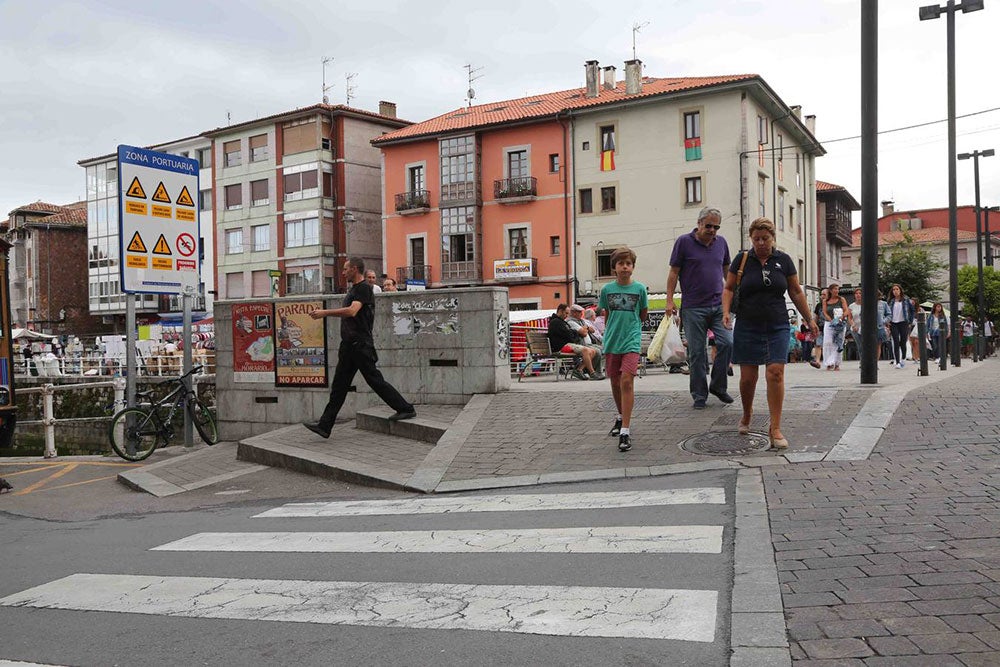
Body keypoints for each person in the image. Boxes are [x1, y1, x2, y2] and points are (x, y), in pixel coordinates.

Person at [722, 217, 817, 450]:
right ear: (751, 238)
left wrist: (809, 319)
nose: (761, 243)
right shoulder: (742, 259)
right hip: (747, 323)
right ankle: (747, 413)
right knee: (747, 378)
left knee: (775, 373)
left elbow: (795, 291)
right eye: (756, 239)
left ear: (773, 238)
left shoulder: (783, 260)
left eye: (765, 238)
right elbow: (729, 288)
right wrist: (726, 312)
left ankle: (775, 427)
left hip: (777, 323)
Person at [303, 257, 415, 439]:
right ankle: (325, 425)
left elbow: (352, 311)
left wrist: (324, 313)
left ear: (355, 269)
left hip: (360, 346)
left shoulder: (363, 288)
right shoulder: (355, 289)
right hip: (349, 346)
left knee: (375, 380)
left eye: (346, 269)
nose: (343, 272)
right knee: (339, 386)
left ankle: (406, 408)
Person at [665, 205, 734, 409]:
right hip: (693, 307)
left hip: (718, 305)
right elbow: (673, 273)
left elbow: (726, 271)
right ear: (699, 223)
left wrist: (733, 297)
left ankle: (718, 387)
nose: (712, 230)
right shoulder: (684, 242)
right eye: (709, 226)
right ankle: (699, 395)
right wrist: (670, 300)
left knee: (727, 343)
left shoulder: (721, 243)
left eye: (716, 227)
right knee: (697, 353)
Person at [598, 246, 648, 452]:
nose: (625, 267)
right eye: (621, 263)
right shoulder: (606, 290)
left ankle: (625, 431)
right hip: (612, 341)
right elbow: (606, 314)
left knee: (627, 381)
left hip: (631, 341)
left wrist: (632, 329)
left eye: (628, 263)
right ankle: (620, 416)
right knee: (615, 381)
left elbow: (643, 315)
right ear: (615, 268)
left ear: (633, 267)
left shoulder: (640, 289)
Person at [547, 304, 604, 380]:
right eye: (566, 313)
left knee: (593, 351)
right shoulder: (556, 322)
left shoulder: (562, 322)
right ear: (560, 311)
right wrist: (574, 333)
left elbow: (571, 333)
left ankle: (579, 370)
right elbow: (569, 335)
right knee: (586, 350)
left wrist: (573, 333)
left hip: (567, 345)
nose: (567, 315)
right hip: (562, 347)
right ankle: (592, 373)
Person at [821, 283, 852, 371]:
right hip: (829, 323)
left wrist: (841, 318)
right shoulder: (825, 301)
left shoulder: (841, 299)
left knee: (839, 342)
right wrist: (831, 320)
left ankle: (837, 363)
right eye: (835, 289)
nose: (837, 291)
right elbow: (824, 312)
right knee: (828, 342)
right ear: (830, 290)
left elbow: (846, 310)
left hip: (840, 322)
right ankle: (828, 362)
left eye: (838, 289)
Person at [887, 283, 913, 368]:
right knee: (896, 341)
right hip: (893, 323)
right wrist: (888, 321)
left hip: (904, 322)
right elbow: (887, 312)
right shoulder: (891, 301)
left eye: (897, 289)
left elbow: (912, 311)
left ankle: (903, 357)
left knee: (903, 341)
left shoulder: (906, 300)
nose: (895, 291)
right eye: (893, 290)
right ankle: (897, 361)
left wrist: (910, 321)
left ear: (900, 290)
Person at [876, 290, 892, 362]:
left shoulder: (883, 304)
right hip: (868, 327)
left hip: (879, 327)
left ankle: (875, 362)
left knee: (878, 345)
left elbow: (889, 314)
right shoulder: (866, 303)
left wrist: (884, 321)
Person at [849, 288, 864, 361]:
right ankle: (862, 361)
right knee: (860, 345)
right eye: (856, 293)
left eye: (860, 293)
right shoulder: (851, 306)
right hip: (855, 328)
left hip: (864, 328)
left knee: (865, 345)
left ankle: (867, 360)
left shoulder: (866, 305)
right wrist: (853, 325)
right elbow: (850, 317)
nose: (858, 295)